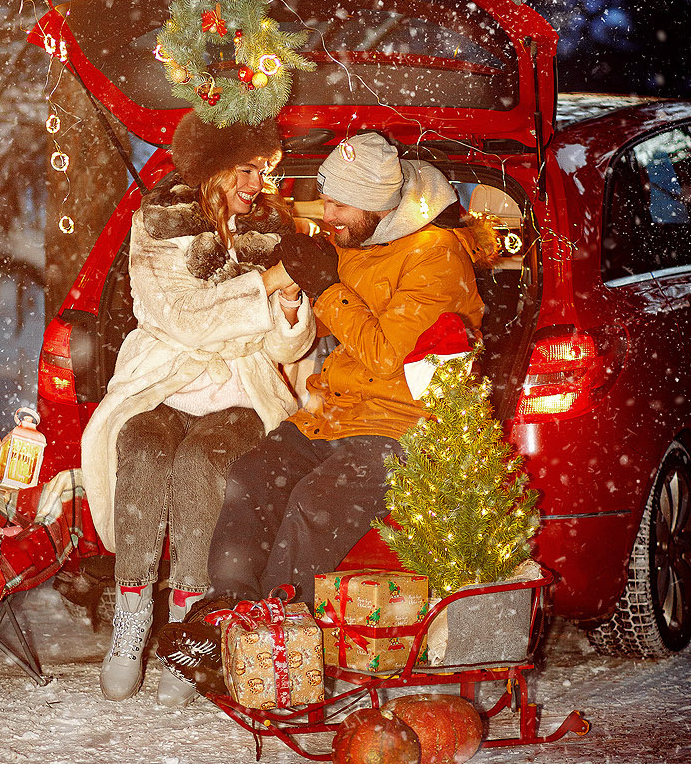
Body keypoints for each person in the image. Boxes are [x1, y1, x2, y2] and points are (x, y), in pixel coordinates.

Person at [160, 131, 486, 680]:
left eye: (338, 204)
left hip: (405, 429)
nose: (327, 213)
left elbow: (386, 355)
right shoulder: (359, 235)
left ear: (379, 203)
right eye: (326, 198)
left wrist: (327, 287)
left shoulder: (436, 260)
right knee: (253, 474)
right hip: (333, 415)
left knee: (315, 503)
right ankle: (229, 617)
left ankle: (276, 637)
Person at [80, 110, 315, 706]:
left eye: (264, 170)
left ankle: (190, 627)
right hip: (163, 378)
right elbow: (177, 315)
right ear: (213, 168)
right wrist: (262, 290)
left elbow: (287, 344)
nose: (257, 183)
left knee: (203, 461)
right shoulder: (161, 222)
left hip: (239, 389)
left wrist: (289, 313)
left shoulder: (270, 226)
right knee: (139, 444)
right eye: (246, 169)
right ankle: (132, 616)